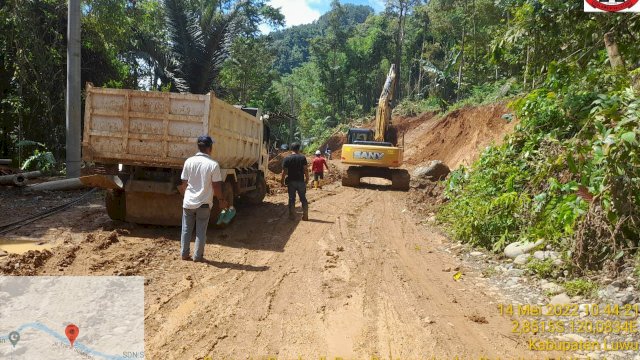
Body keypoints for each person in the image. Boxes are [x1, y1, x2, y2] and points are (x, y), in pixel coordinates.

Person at [177, 135, 228, 262]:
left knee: (186, 229)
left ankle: (184, 254)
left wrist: (186, 195)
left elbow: (184, 182)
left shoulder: (188, 161)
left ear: (198, 147)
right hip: (203, 203)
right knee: (201, 230)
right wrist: (221, 200)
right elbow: (216, 186)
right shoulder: (213, 165)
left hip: (188, 202)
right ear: (210, 148)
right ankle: (198, 256)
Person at [281, 142, 309, 220]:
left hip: (291, 182)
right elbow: (305, 170)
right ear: (298, 149)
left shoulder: (287, 158)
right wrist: (307, 179)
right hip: (300, 181)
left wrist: (282, 181)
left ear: (291, 149)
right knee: (303, 198)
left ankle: (292, 216)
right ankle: (305, 215)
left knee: (291, 199)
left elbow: (284, 172)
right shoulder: (303, 158)